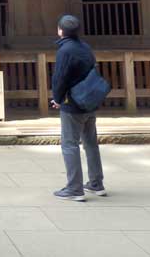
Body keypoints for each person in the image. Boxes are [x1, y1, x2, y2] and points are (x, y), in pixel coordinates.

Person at [50, 14, 106, 201]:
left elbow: (60, 78)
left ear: (60, 30)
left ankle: (74, 188)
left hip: (73, 104)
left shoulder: (65, 51)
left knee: (69, 144)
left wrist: (57, 98)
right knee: (90, 143)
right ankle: (96, 183)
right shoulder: (85, 47)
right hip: (89, 100)